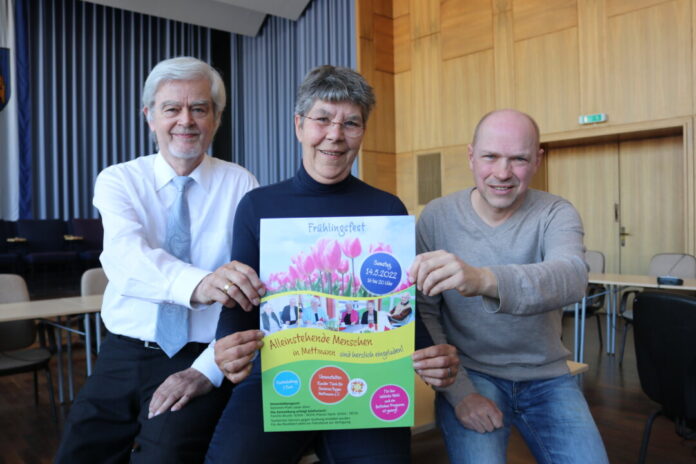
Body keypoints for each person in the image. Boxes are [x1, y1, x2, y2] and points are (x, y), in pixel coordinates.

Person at [205, 65, 459, 463]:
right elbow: (242, 299)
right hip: (280, 378)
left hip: (369, 382)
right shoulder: (258, 206)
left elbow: (397, 306)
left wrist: (432, 356)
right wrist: (227, 346)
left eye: (351, 123)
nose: (335, 135)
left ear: (362, 132)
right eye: (322, 119)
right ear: (299, 125)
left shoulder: (385, 209)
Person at [55, 57, 260, 463]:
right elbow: (127, 261)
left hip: (199, 351)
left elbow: (248, 295)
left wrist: (207, 370)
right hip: (124, 350)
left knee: (166, 456)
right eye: (172, 109)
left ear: (216, 119)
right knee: (76, 454)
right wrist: (200, 284)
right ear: (150, 117)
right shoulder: (119, 180)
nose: (186, 120)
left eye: (199, 109)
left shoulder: (242, 184)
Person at [409, 109, 609, 464]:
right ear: (471, 156)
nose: (502, 173)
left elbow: (573, 277)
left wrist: (484, 279)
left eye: (518, 159)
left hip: (548, 376)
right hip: (471, 374)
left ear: (537, 160)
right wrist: (460, 393)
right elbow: (426, 314)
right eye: (490, 157)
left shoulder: (556, 212)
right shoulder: (437, 217)